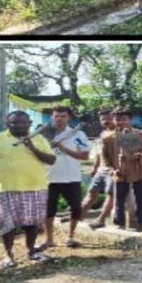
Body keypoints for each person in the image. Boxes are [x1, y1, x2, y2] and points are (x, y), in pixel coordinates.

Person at [0, 111, 57, 268]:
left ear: (29, 123)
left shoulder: (39, 138)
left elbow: (51, 160)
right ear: (8, 124)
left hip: (36, 187)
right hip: (7, 188)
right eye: (14, 123)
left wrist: (32, 147)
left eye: (23, 123)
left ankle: (32, 251)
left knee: (32, 223)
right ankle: (8, 255)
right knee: (7, 224)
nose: (19, 126)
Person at [40, 106, 90, 250]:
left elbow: (85, 156)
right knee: (49, 210)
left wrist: (63, 148)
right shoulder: (44, 134)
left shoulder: (78, 134)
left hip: (71, 177)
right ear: (52, 117)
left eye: (63, 116)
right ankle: (49, 239)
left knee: (75, 208)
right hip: (48, 178)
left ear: (69, 118)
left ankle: (71, 236)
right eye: (56, 116)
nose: (59, 119)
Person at [102, 106, 142, 231]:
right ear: (113, 120)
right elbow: (105, 158)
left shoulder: (139, 134)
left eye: (124, 119)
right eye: (118, 119)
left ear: (130, 120)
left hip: (138, 171)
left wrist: (138, 155)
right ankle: (119, 224)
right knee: (119, 200)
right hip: (119, 173)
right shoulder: (108, 138)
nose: (121, 122)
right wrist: (111, 170)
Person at [81, 108, 116, 229]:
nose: (106, 121)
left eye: (109, 118)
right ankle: (78, 216)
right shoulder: (103, 134)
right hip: (101, 170)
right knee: (91, 193)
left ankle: (101, 219)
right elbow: (98, 153)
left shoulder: (120, 134)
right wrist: (95, 168)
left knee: (110, 195)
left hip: (114, 170)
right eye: (103, 119)